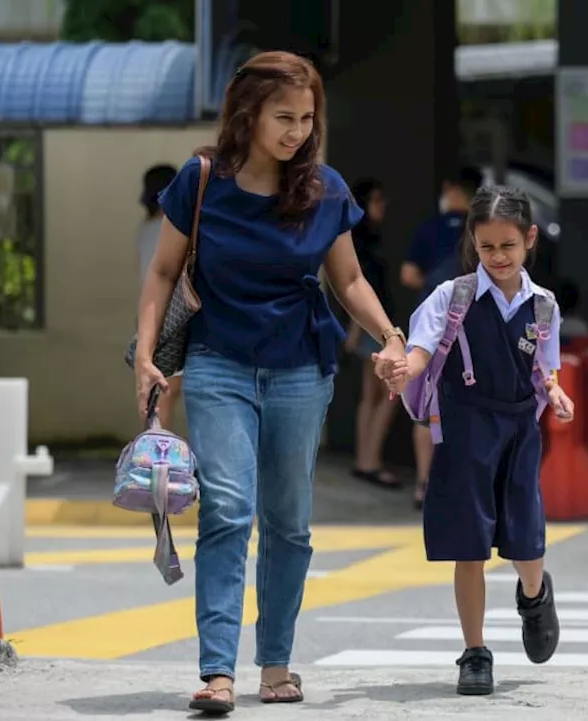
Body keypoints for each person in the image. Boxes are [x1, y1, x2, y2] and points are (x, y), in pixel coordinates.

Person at [132, 51, 406, 714]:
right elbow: (164, 273)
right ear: (249, 112)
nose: (296, 131)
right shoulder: (201, 180)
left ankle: (277, 661)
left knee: (290, 523)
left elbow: (348, 279)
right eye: (284, 116)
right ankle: (217, 670)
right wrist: (146, 357)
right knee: (227, 507)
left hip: (299, 369)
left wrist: (389, 335)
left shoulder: (323, 187)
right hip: (219, 362)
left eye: (307, 119)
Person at [379, 185, 574, 696]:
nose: (498, 257)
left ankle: (534, 596)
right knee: (469, 545)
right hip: (464, 428)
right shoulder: (453, 296)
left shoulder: (544, 306)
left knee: (526, 537)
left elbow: (545, 369)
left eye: (508, 245)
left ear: (529, 239)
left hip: (519, 428)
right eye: (487, 247)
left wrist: (556, 394)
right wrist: (403, 370)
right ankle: (474, 652)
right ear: (473, 242)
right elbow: (421, 350)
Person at [401, 167, 483, 508]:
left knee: (426, 406)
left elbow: (408, 275)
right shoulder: (482, 230)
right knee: (472, 406)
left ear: (450, 188)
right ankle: (466, 483)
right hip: (472, 327)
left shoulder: (429, 228)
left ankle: (424, 482)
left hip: (431, 329)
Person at [344, 177, 402, 488]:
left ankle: (365, 459)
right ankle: (370, 460)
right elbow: (356, 286)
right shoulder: (362, 240)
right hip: (374, 327)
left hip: (375, 326)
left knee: (373, 393)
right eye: (377, 200)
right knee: (387, 393)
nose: (383, 206)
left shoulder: (366, 238)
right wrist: (356, 328)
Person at [136, 163, 180, 425]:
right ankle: (158, 455)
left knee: (157, 394)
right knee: (165, 393)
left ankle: (153, 450)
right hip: (170, 317)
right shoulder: (168, 227)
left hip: (148, 316)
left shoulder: (144, 228)